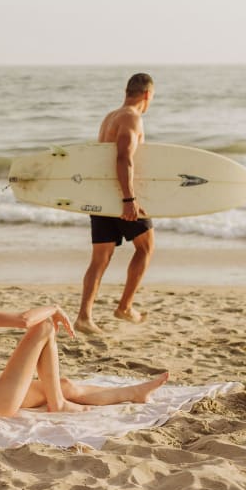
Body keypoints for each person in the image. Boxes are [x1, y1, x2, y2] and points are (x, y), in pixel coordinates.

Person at [0, 236, 168, 416]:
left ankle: (134, 393)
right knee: (43, 326)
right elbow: (23, 320)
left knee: (64, 383)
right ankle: (58, 403)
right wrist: (54, 308)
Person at [75, 73, 156, 335]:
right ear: (147, 94)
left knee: (100, 259)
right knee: (145, 248)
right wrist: (129, 199)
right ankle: (125, 306)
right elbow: (123, 158)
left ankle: (84, 317)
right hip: (121, 196)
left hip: (102, 195)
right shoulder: (132, 118)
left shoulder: (111, 116)